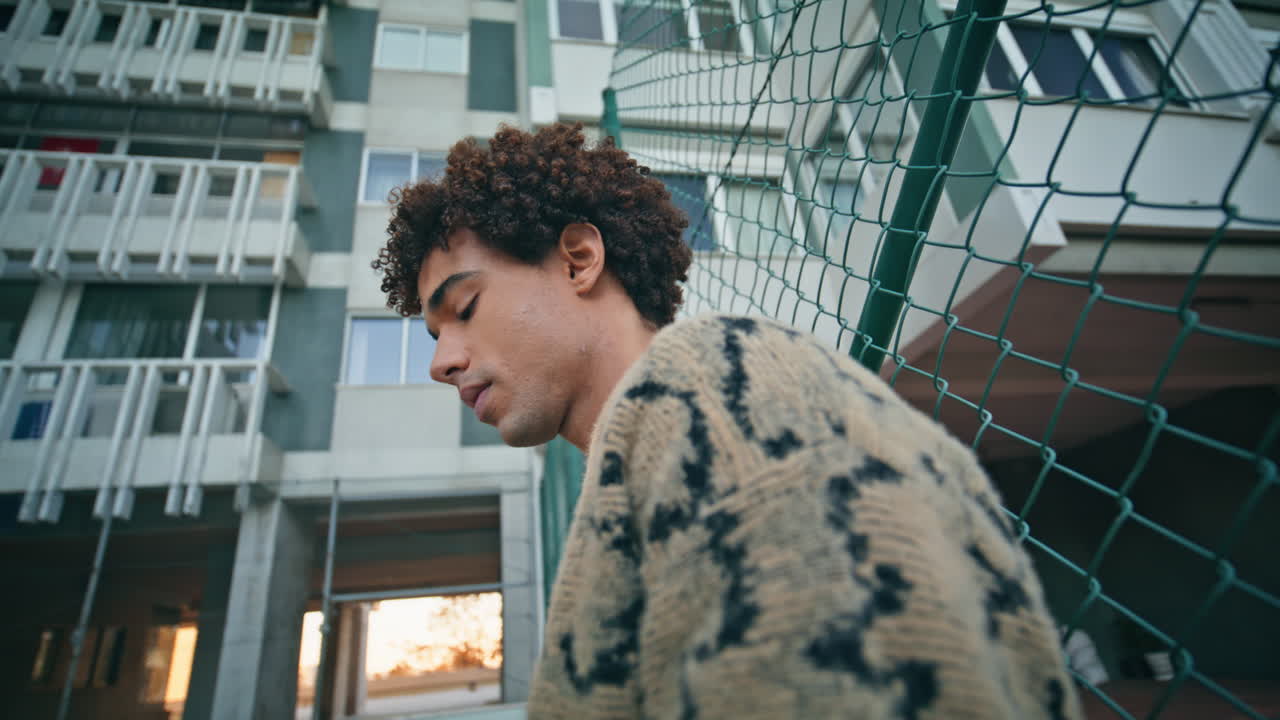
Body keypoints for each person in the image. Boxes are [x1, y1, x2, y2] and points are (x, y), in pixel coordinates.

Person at [374, 122, 1082, 719]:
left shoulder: (715, 381)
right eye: (434, 336)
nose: (442, 362)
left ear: (579, 260)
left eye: (461, 311)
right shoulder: (640, 467)